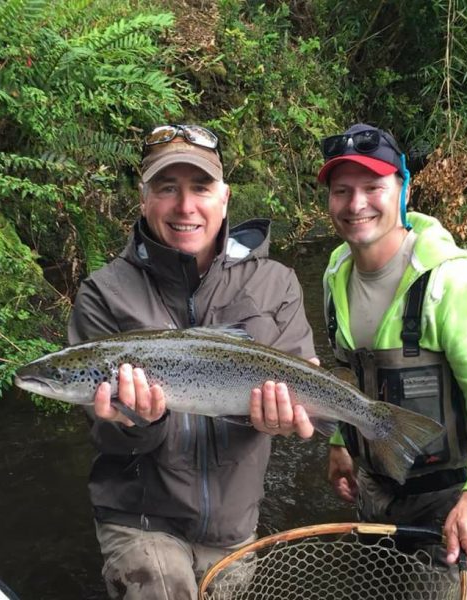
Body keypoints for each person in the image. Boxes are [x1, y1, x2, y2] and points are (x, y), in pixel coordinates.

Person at [68, 124, 317, 599]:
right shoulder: (103, 293)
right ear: (144, 200)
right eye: (167, 189)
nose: (185, 207)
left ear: (224, 199)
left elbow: (304, 392)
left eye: (200, 188)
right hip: (140, 522)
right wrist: (136, 422)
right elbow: (103, 437)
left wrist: (290, 421)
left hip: (233, 528)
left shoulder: (277, 283)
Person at [319, 123, 467, 599]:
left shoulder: (456, 284)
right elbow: (345, 372)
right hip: (375, 498)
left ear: (402, 190)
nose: (356, 205)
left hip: (451, 507)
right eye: (342, 191)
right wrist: (338, 442)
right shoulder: (335, 271)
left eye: (373, 188)